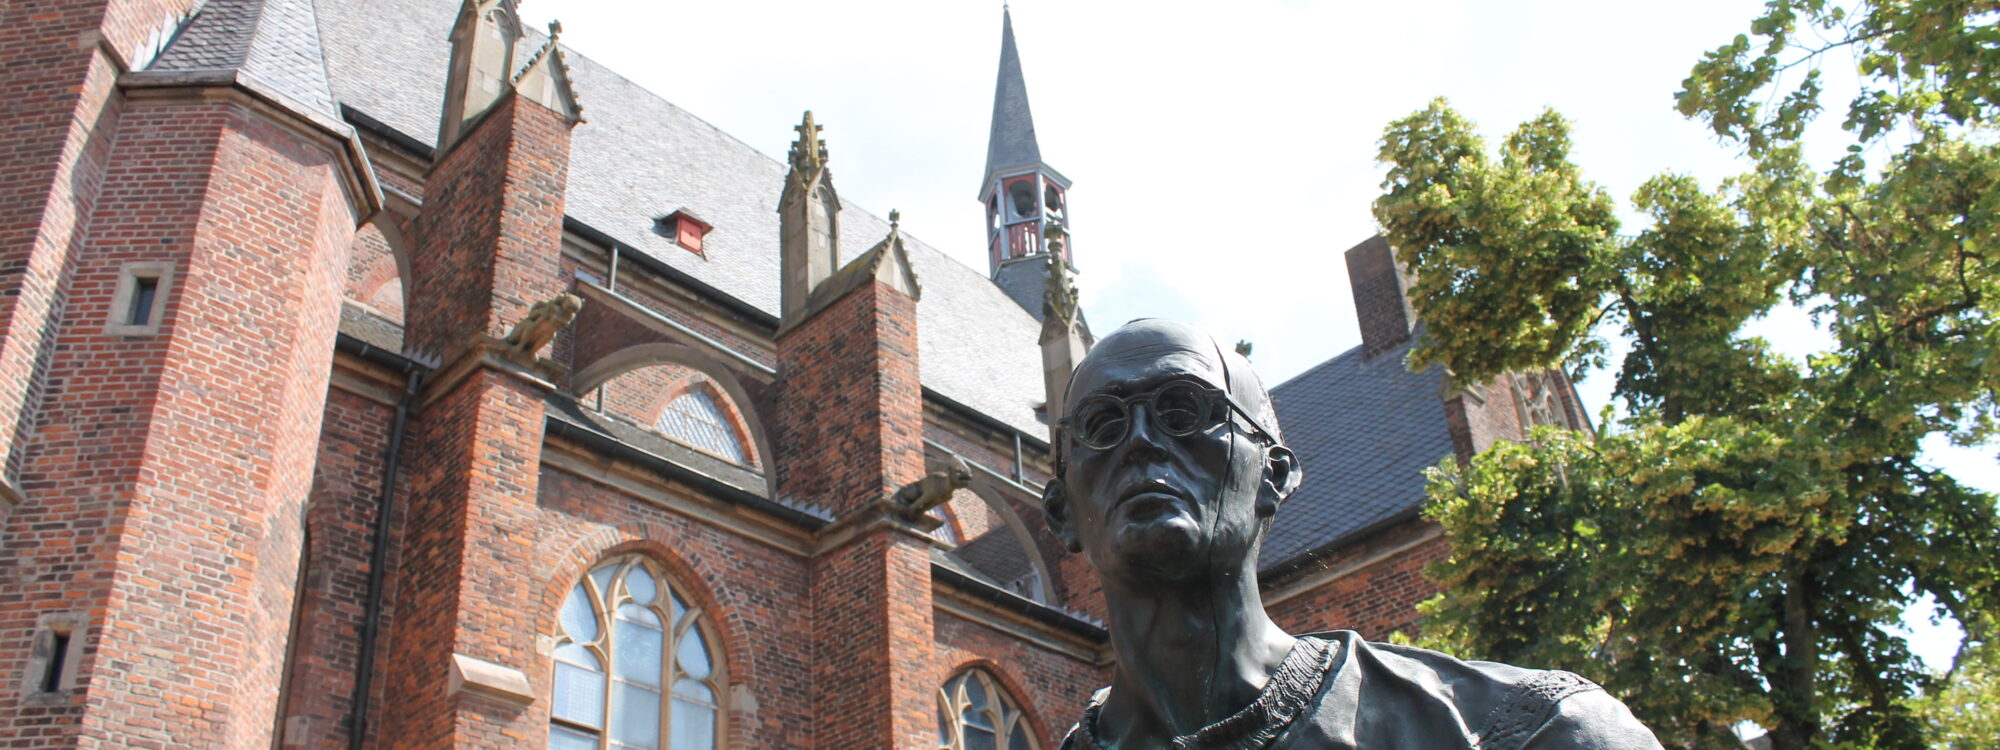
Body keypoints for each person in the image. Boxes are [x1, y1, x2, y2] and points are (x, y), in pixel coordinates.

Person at [1041, 319, 1662, 749]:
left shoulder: (1528, 733)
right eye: (1102, 423)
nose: (1144, 439)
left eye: (1186, 410)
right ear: (1060, 512)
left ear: (1274, 475)